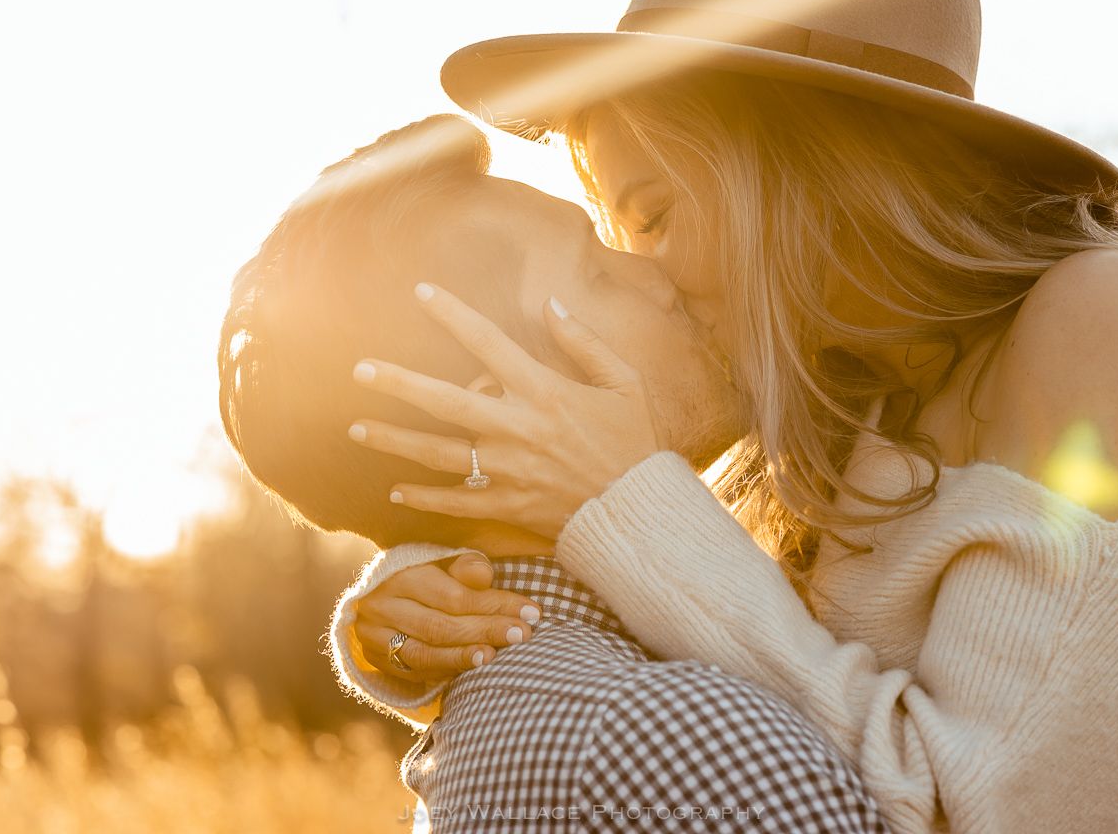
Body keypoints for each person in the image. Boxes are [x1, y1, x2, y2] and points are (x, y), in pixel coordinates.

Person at [335, 0, 1118, 831]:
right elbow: (729, 667)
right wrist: (429, 598)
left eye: (649, 217)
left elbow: (984, 809)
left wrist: (627, 503)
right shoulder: (842, 412)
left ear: (796, 169)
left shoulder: (1113, 322)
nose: (643, 279)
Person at [216, 114, 889, 831]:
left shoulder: (514, 713)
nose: (660, 280)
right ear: (500, 412)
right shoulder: (667, 732)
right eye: (599, 270)